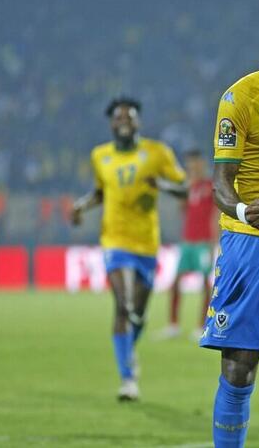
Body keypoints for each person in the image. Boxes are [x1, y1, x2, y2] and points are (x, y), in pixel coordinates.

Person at [71, 97, 188, 401]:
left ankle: (128, 354)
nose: (124, 121)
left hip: (147, 244)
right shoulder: (101, 156)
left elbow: (185, 188)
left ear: (138, 122)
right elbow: (101, 192)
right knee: (123, 306)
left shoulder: (157, 153)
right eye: (118, 117)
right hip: (114, 241)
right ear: (111, 123)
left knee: (137, 314)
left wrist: (161, 186)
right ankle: (128, 378)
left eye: (130, 117)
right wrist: (82, 206)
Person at [159, 150, 217, 341]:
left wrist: (213, 244)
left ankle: (202, 326)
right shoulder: (188, 187)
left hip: (203, 242)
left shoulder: (211, 186)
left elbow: (215, 216)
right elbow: (182, 210)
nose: (192, 168)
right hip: (188, 241)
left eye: (195, 164)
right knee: (176, 281)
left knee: (205, 283)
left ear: (202, 164)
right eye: (189, 165)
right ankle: (173, 325)